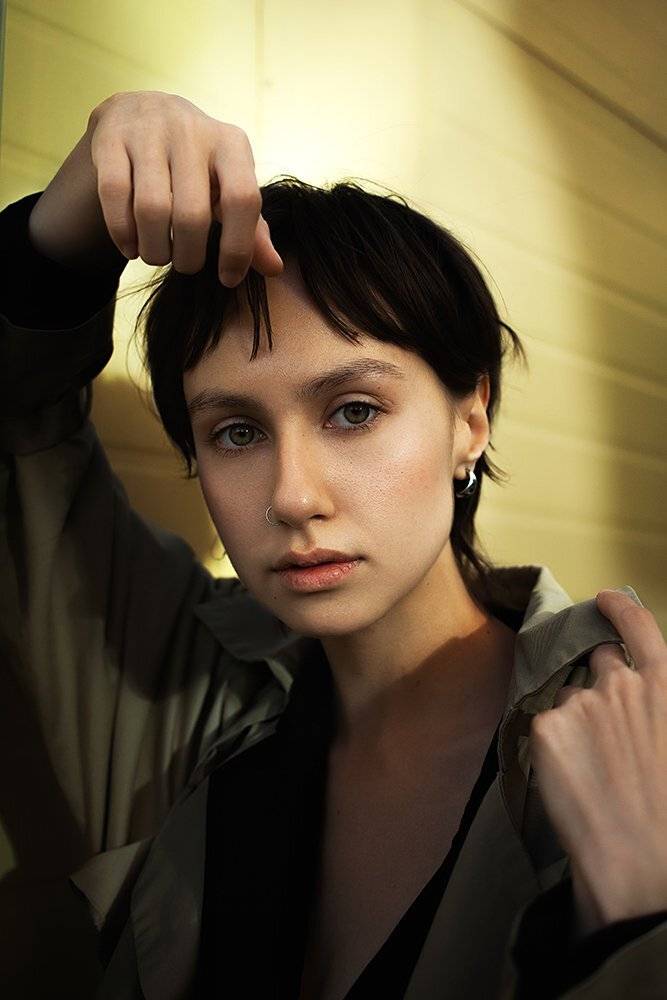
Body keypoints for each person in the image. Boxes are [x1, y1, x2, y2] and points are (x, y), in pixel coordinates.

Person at [1, 90, 667, 1000]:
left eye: (353, 411)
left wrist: (641, 925)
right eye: (236, 432)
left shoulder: (632, 743)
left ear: (470, 418)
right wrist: (57, 243)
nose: (292, 496)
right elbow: (21, 432)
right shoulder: (182, 694)